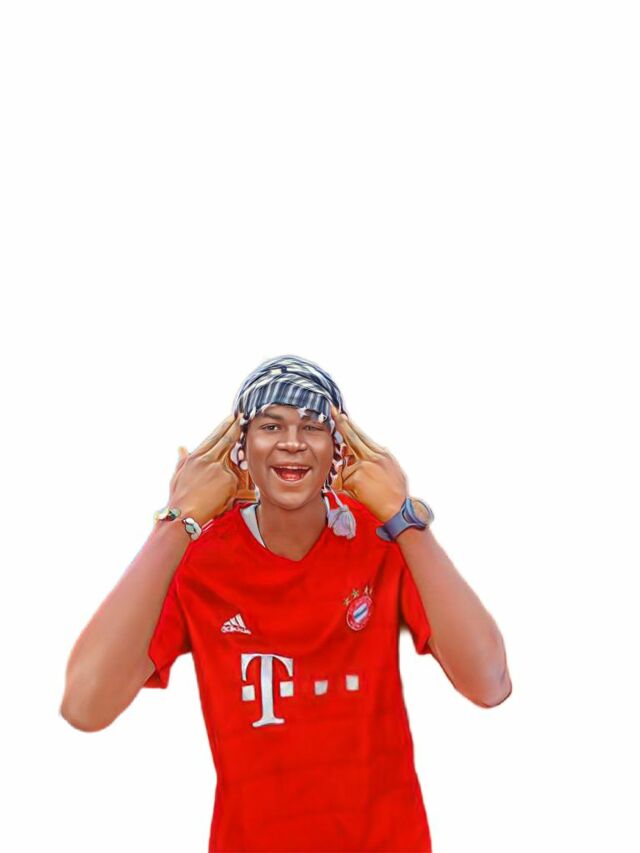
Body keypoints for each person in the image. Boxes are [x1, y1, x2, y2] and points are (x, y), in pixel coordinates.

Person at [60, 353, 512, 852]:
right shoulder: (198, 557)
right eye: (271, 426)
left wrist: (404, 519)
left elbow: (489, 682)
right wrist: (176, 521)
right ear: (241, 448)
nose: (292, 442)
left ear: (338, 448)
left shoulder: (384, 540)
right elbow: (85, 705)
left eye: (313, 426)